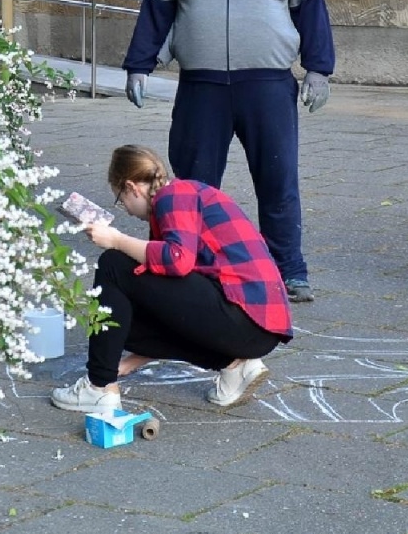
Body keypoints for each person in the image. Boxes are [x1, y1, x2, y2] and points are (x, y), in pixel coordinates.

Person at [122, 0, 334, 303]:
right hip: (202, 87)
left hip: (268, 85)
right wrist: (139, 64)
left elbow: (310, 6)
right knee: (194, 186)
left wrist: (319, 68)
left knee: (278, 181)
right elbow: (157, 9)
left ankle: (288, 271)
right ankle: (193, 264)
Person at [51, 145, 294, 414]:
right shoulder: (182, 198)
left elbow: (178, 260)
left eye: (120, 199)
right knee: (122, 319)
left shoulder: (172, 195)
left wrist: (117, 240)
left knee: (113, 264)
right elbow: (171, 305)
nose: (126, 209)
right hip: (257, 328)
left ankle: (97, 388)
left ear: (132, 187)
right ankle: (234, 365)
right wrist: (126, 364)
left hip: (246, 317)